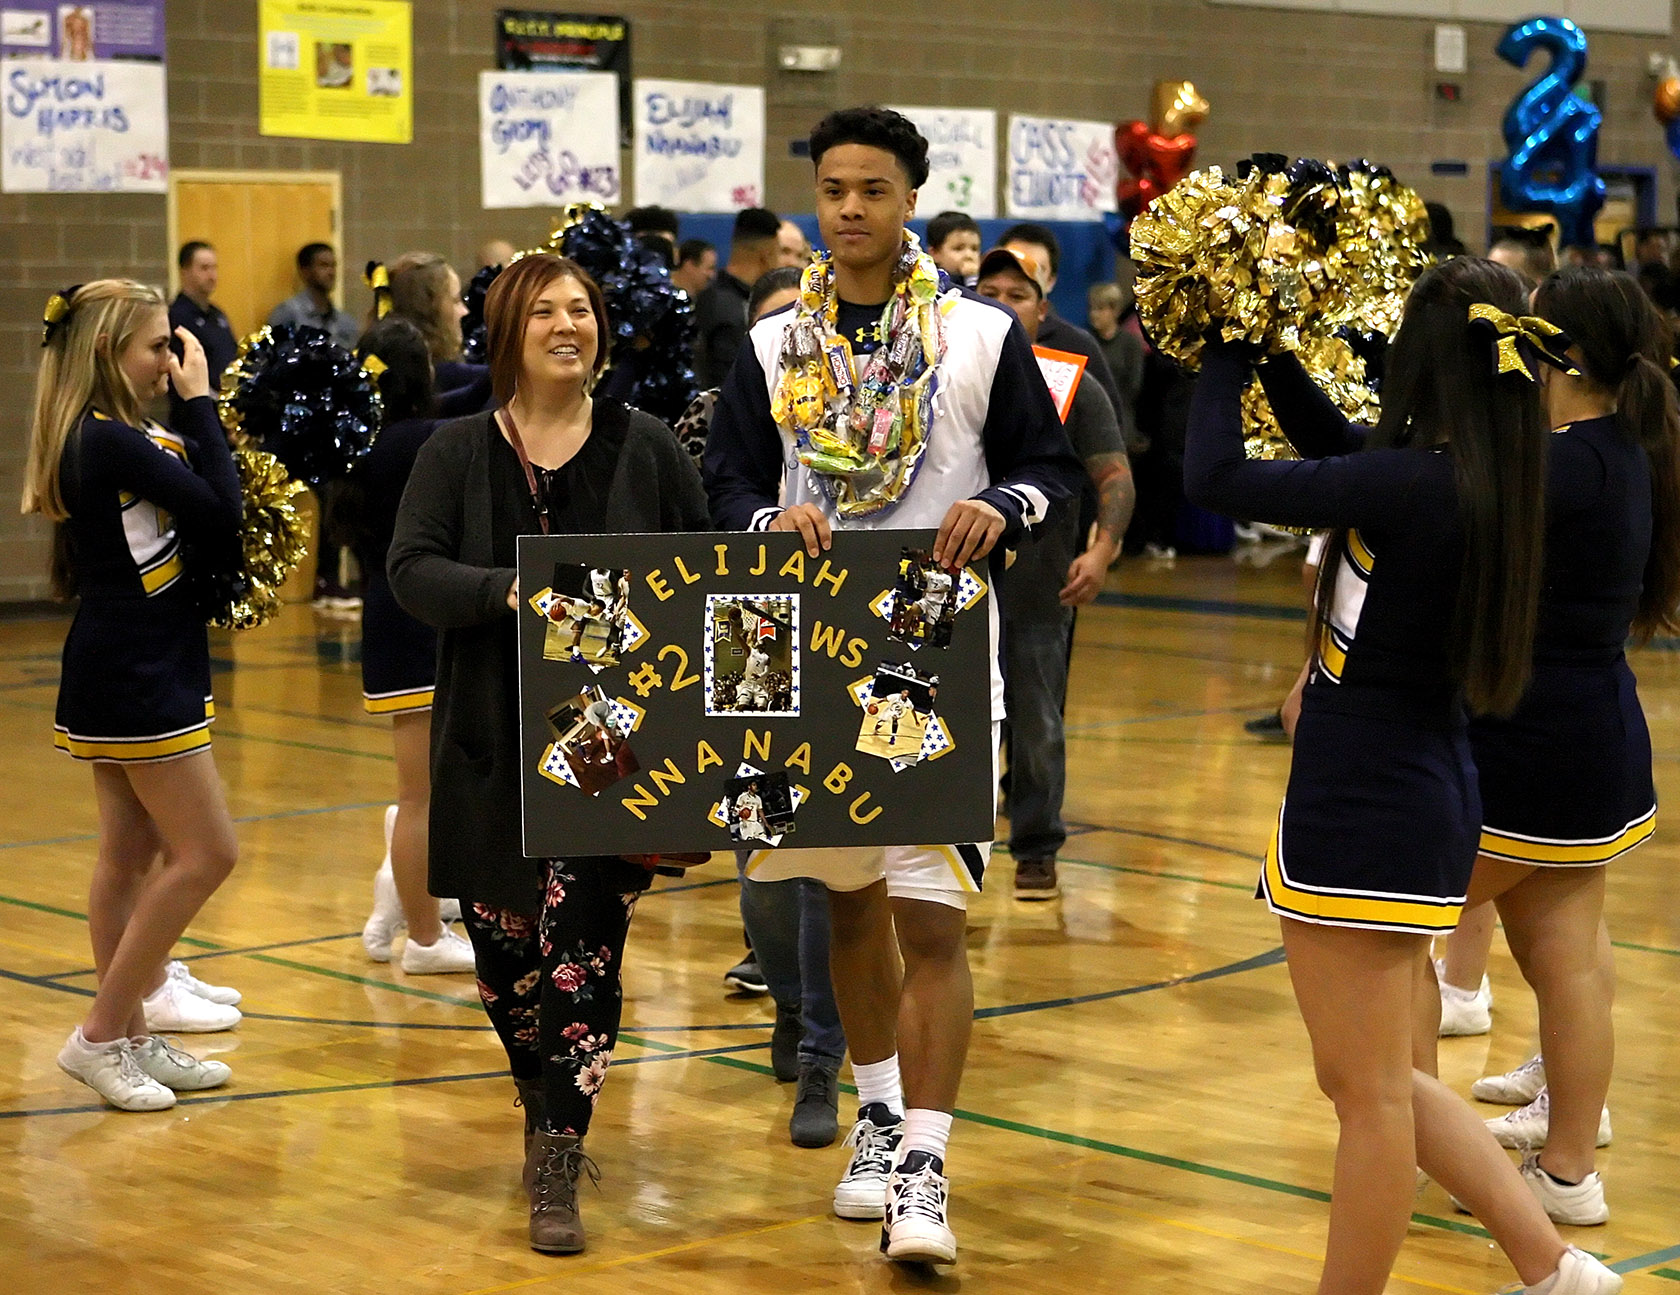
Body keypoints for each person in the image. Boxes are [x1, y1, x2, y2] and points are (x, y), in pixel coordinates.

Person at [1184, 255, 1623, 1295]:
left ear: (1419, 356)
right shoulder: (1473, 469)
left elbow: (1211, 480)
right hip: (1406, 787)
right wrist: (1266, 343)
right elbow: (1337, 449)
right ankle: (1551, 1265)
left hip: (1370, 800)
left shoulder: (1420, 479)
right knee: (1376, 1079)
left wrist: (1215, 353)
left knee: (1373, 1096)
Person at [704, 106, 1083, 1267]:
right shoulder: (772, 343)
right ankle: (873, 1113)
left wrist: (1002, 507)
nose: (852, 206)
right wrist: (772, 516)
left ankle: (926, 1155)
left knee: (931, 915)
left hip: (931, 639)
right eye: (834, 188)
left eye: (874, 187)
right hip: (790, 647)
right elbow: (722, 478)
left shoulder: (976, 333)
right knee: (847, 903)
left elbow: (1048, 468)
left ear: (913, 199)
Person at [388, 252, 711, 1255]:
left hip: (608, 751)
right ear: (508, 333)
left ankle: (559, 1155)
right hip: (487, 743)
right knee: (506, 964)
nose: (567, 325)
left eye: (582, 309)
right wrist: (508, 593)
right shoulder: (454, 449)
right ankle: (540, 1101)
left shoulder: (649, 447)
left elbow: (702, 577)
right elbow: (411, 570)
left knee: (582, 958)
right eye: (545, 313)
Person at [1429, 268, 1679, 1228]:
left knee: (1397, 941)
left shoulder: (1556, 465)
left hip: (1522, 746)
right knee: (1570, 956)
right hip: (1597, 743)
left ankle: (1409, 1144)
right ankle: (1571, 1173)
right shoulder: (1627, 448)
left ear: (1558, 353)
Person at [26, 281, 245, 1109]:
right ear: (109, 350)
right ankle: (99, 1034)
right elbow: (221, 511)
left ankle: (130, 1032)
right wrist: (204, 405)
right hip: (139, 669)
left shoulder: (105, 435)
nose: (171, 359)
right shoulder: (109, 440)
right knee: (208, 852)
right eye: (157, 344)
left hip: (127, 658)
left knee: (129, 855)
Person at [977, 246, 1134, 901]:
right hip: (952, 591)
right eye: (990, 292)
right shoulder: (945, 376)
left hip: (1040, 589)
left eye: (1018, 295)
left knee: (1037, 726)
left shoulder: (1073, 384)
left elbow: (1116, 475)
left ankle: (1036, 847)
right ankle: (946, 845)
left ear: (1042, 311)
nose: (1003, 305)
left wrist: (1100, 550)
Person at [351, 317, 474, 975]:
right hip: (415, 620)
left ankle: (402, 900)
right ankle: (424, 937)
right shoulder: (422, 441)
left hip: (387, 616)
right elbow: (479, 404)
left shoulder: (367, 441)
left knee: (423, 791)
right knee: (421, 793)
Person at [998, 221, 1124, 416]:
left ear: (1050, 281)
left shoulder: (1077, 345)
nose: (1021, 278)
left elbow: (1108, 427)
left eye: (1036, 270)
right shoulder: (965, 337)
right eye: (1013, 266)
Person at [693, 207, 783, 387]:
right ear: (767, 255)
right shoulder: (737, 311)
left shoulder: (709, 296)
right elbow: (727, 383)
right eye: (779, 253)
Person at [168, 242, 239, 416]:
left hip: (228, 411)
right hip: (196, 412)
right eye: (204, 268)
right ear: (185, 271)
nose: (212, 275)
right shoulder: (177, 316)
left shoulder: (218, 315)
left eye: (214, 268)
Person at [1085, 281, 1145, 451]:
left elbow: (1134, 386)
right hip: (1090, 421)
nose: (1093, 314)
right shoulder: (1086, 341)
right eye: (1091, 308)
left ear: (1115, 311)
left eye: (1100, 309)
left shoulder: (1130, 343)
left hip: (1121, 422)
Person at [269, 242, 360, 349]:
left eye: (333, 266)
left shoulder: (345, 322)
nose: (331, 272)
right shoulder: (287, 313)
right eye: (324, 265)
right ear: (305, 271)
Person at [925, 210, 980, 285]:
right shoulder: (932, 283)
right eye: (958, 249)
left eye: (974, 249)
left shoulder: (983, 280)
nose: (968, 255)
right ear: (935, 253)